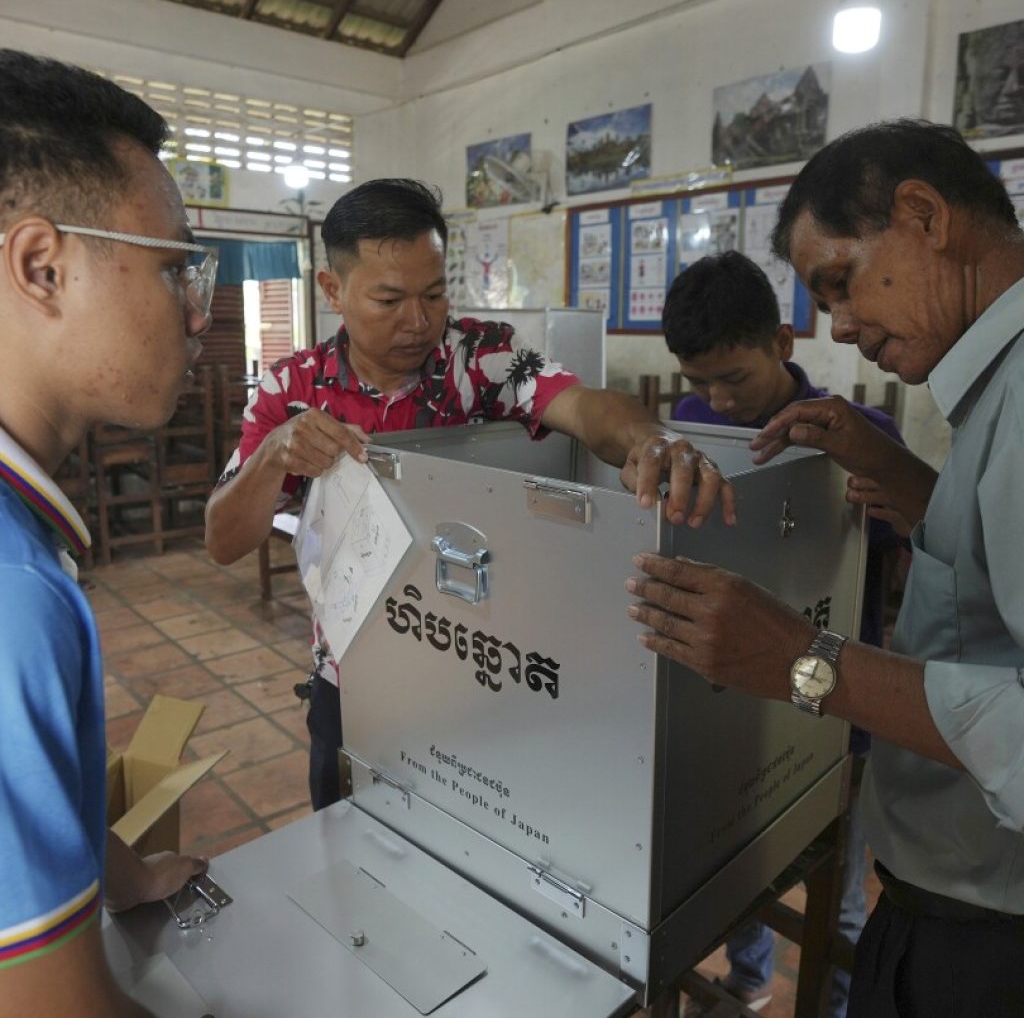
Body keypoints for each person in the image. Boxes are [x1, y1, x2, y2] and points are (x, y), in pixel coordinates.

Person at [627, 119, 1024, 1018]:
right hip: (946, 888)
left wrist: (806, 661)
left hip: (990, 930)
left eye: (841, 283)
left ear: (924, 216)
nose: (841, 323)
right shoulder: (993, 390)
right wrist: (908, 484)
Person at [205, 177, 735, 811]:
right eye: (389, 299)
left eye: (434, 294)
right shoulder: (292, 387)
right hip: (352, 673)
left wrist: (652, 438)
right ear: (332, 290)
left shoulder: (481, 358)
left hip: (474, 664)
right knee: (351, 845)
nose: (420, 321)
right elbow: (223, 541)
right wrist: (273, 455)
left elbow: (585, 407)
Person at [0, 50, 213, 1015]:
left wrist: (121, 876)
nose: (194, 314)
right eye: (173, 270)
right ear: (42, 266)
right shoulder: (12, 596)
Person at [663, 250, 905, 1018]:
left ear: (782, 344)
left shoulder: (860, 433)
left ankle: (834, 1003)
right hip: (733, 695)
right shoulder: (686, 425)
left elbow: (910, 559)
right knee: (738, 858)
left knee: (836, 887)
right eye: (700, 381)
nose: (717, 399)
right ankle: (750, 977)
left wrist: (890, 504)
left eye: (734, 378)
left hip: (839, 702)